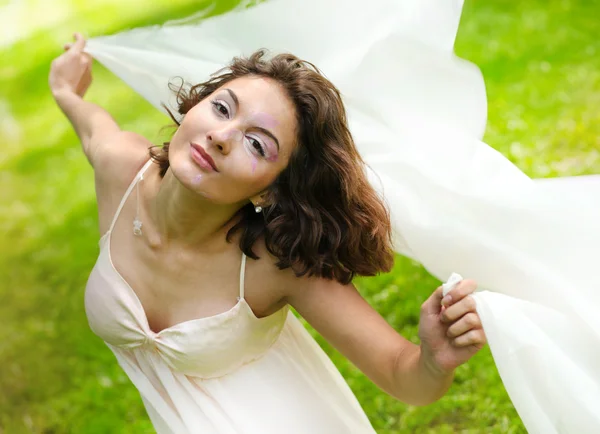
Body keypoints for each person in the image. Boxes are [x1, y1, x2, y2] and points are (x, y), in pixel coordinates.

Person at [49, 32, 487, 433]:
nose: (221, 136)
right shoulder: (119, 168)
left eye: (257, 144)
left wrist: (434, 359)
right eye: (222, 108)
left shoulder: (276, 263)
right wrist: (66, 89)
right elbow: (90, 122)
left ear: (272, 190)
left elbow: (400, 374)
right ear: (194, 106)